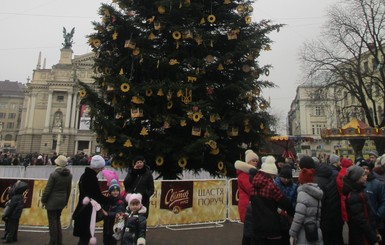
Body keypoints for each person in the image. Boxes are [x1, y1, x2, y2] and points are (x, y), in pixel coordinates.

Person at [249, 155, 294, 244]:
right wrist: (292, 212)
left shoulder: (253, 185)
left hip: (256, 226)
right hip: (271, 227)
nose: (273, 178)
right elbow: (284, 202)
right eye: (273, 176)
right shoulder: (271, 186)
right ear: (270, 174)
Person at [73, 155, 109, 245]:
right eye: (101, 167)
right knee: (85, 237)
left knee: (84, 237)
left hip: (83, 208)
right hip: (87, 210)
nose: (102, 169)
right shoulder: (91, 178)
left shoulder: (84, 176)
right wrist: (109, 200)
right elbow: (96, 195)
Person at [343, 165, 382, 245]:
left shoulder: (359, 191)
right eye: (363, 175)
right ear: (357, 178)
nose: (366, 177)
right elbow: (362, 221)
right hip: (362, 237)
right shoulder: (355, 196)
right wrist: (373, 237)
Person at [41, 155, 72, 245]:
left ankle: (53, 242)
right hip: (62, 200)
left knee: (52, 222)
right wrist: (66, 201)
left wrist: (43, 200)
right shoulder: (69, 175)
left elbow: (48, 189)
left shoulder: (54, 174)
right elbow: (68, 190)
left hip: (52, 201)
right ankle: (59, 241)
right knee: (57, 220)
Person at [289, 166, 324, 244]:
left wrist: (292, 233)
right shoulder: (317, 193)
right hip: (316, 230)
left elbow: (299, 217)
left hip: (304, 233)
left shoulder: (303, 194)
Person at [235, 150, 259, 245]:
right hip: (247, 206)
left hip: (249, 205)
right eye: (253, 160)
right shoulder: (244, 175)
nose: (255, 162)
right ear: (248, 162)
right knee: (248, 233)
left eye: (256, 161)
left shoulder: (250, 174)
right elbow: (250, 189)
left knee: (250, 232)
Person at [359, 160, 385, 245]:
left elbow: (383, 201)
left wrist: (378, 215)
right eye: (363, 168)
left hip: (377, 222)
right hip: (363, 222)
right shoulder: (357, 184)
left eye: (367, 168)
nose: (365, 170)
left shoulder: (377, 184)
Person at [274, 165, 298, 245]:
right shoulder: (275, 185)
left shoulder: (294, 186)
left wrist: (291, 209)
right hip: (277, 214)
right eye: (284, 178)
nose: (286, 180)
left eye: (288, 178)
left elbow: (295, 200)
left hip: (289, 215)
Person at [101, 179, 126, 245]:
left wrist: (108, 214)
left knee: (113, 242)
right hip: (106, 226)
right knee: (106, 241)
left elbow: (120, 213)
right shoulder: (108, 200)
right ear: (110, 192)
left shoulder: (120, 202)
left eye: (117, 190)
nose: (115, 192)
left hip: (115, 226)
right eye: (113, 191)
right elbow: (102, 208)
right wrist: (104, 200)